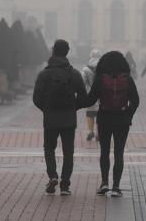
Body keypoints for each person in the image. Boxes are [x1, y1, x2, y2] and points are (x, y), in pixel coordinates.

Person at [33, 39, 87, 196]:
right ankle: (65, 185)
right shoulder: (74, 74)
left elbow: (36, 98)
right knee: (68, 152)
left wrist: (47, 109)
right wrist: (72, 107)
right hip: (69, 119)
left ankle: (53, 176)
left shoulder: (44, 74)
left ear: (53, 51)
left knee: (49, 148)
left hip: (50, 118)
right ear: (67, 52)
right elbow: (83, 98)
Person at [84, 51, 139, 198]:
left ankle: (104, 183)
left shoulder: (101, 79)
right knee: (119, 152)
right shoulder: (127, 79)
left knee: (104, 152)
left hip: (104, 118)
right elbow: (136, 101)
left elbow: (90, 100)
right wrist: (128, 114)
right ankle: (116, 186)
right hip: (122, 120)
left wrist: (75, 102)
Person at [80, 49, 102, 141]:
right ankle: (98, 133)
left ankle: (90, 132)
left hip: (90, 94)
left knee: (90, 114)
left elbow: (82, 83)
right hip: (101, 94)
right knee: (100, 115)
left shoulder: (86, 69)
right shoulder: (103, 68)